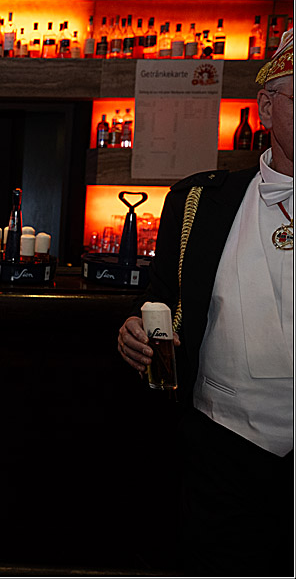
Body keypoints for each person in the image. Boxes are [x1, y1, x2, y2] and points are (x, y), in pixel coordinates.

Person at [117, 30, 293, 576]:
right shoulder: (199, 201)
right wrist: (133, 331)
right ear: (266, 107)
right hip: (222, 452)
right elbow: (160, 301)